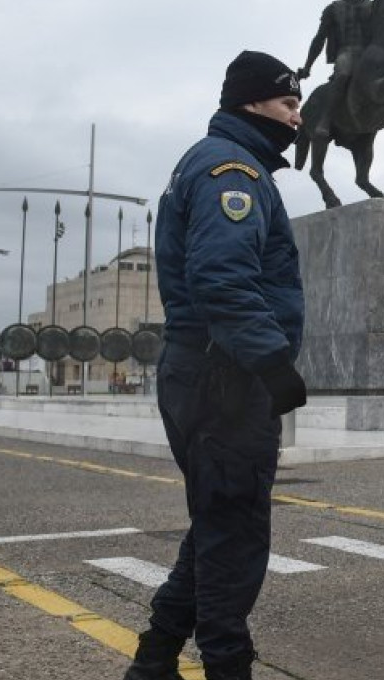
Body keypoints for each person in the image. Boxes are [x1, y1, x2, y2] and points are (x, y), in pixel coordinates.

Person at [123, 50, 309, 680]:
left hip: (208, 369)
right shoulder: (233, 171)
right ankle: (228, 667)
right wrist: (272, 363)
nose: (298, 119)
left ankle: (154, 659)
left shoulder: (227, 165)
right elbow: (222, 279)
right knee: (234, 537)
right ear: (253, 104)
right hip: (224, 376)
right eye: (289, 104)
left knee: (220, 522)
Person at [297, 0, 373, 142]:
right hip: (346, 51)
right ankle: (326, 119)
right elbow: (319, 39)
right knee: (343, 74)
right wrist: (308, 66)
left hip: (369, 54)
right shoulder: (333, 9)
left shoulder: (371, 6)